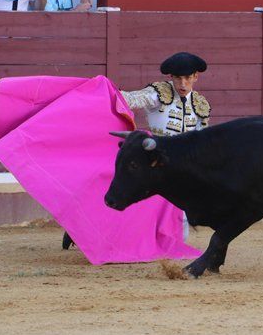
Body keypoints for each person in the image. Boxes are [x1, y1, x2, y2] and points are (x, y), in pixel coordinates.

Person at [61, 52, 211, 250]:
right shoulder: (159, 94)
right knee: (121, 195)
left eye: (187, 78)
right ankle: (79, 228)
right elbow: (128, 100)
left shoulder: (201, 106)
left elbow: (203, 141)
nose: (182, 83)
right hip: (150, 161)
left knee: (177, 211)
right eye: (177, 78)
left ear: (195, 77)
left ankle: (169, 246)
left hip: (179, 166)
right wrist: (100, 93)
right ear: (170, 78)